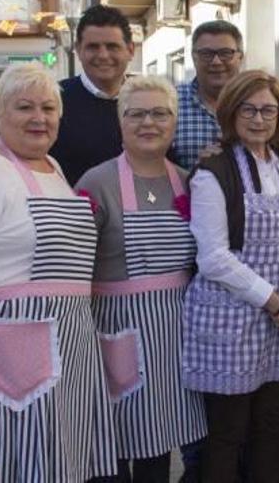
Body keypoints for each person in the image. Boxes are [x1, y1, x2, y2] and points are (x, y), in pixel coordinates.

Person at [180, 70, 279, 481]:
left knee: (273, 428)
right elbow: (213, 258)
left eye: (268, 110)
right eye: (249, 109)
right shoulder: (213, 171)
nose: (259, 119)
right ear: (231, 112)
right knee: (227, 434)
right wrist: (274, 300)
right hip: (231, 318)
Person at [0, 62, 117, 481]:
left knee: (61, 458)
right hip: (14, 350)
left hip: (71, 343)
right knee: (22, 461)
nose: (38, 118)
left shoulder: (54, 168)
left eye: (48, 108)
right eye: (24, 107)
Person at [76, 76, 207, 482]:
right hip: (112, 335)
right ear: (121, 122)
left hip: (173, 338)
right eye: (137, 114)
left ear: (174, 122)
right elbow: (74, 266)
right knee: (110, 451)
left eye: (160, 113)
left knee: (157, 450)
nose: (148, 123)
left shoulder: (190, 182)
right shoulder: (95, 183)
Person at [51, 4, 135, 184]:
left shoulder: (146, 102)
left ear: (130, 50)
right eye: (93, 47)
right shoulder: (53, 100)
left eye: (112, 46)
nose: (103, 55)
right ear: (78, 50)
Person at [172, 20, 244, 170]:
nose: (216, 62)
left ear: (240, 57)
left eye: (225, 53)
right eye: (206, 54)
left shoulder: (258, 104)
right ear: (193, 58)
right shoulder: (170, 102)